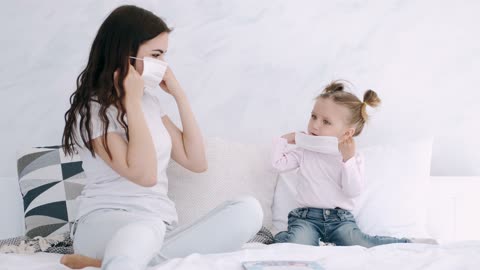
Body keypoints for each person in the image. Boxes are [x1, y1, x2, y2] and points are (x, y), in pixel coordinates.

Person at [60, 5, 263, 270]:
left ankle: (109, 263)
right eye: (155, 55)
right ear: (125, 56)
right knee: (143, 230)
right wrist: (130, 101)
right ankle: (129, 259)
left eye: (164, 55)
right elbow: (145, 176)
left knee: (248, 210)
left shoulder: (151, 102)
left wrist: (179, 95)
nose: (163, 65)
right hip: (106, 222)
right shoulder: (93, 110)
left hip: (161, 226)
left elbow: (196, 161)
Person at [272, 80, 436, 247]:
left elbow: (352, 191)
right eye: (313, 116)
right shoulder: (304, 151)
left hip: (340, 220)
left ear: (347, 133)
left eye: (326, 122)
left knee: (360, 241)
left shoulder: (353, 158)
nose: (315, 125)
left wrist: (347, 160)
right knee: (296, 245)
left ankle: (408, 243)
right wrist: (284, 140)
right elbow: (278, 165)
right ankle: (279, 237)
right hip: (306, 219)